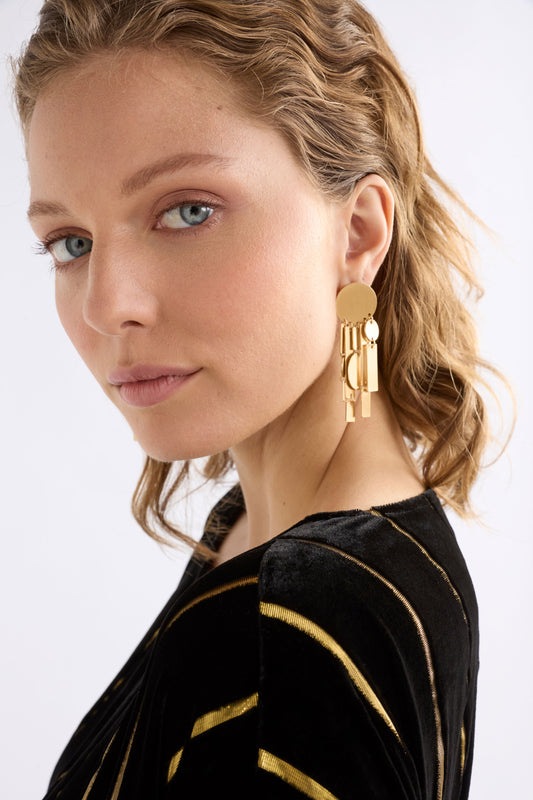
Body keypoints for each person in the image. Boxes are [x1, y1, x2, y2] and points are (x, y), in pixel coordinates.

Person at [13, 0, 497, 797]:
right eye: (72, 242)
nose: (107, 305)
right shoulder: (265, 528)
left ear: (357, 233)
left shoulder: (291, 626)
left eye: (187, 211)